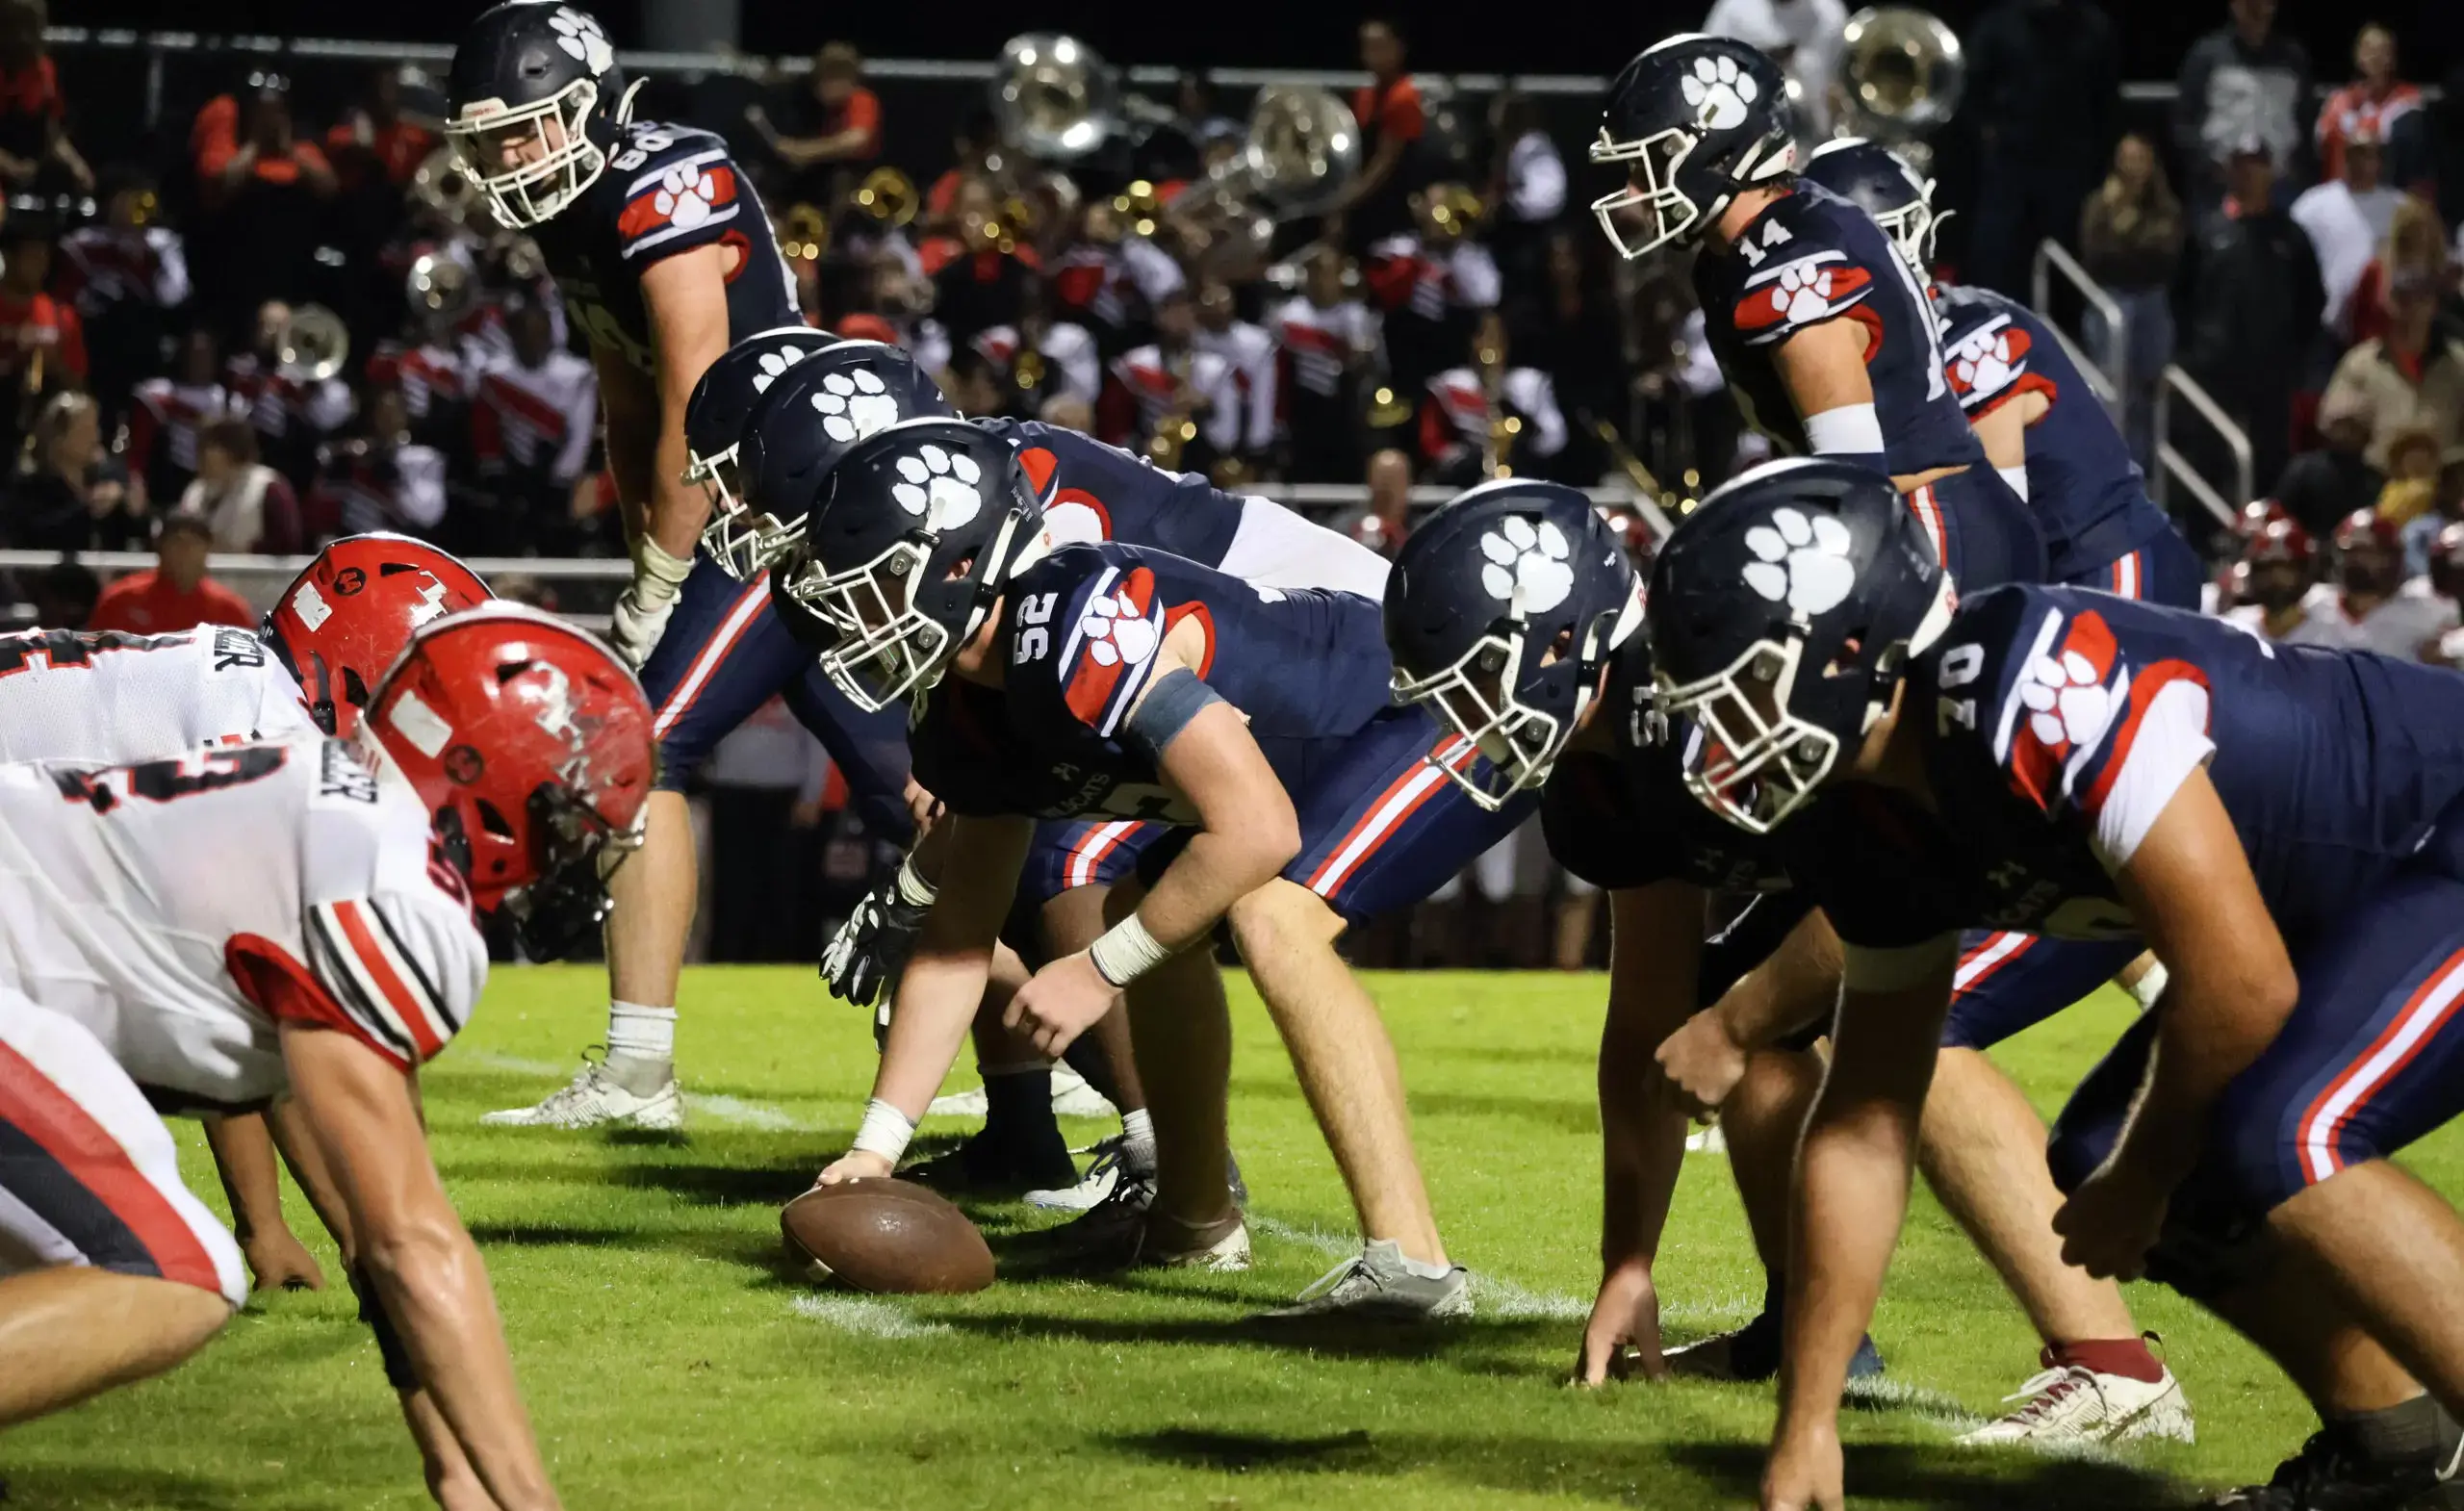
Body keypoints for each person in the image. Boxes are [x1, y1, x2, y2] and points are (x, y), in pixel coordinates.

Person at [1649, 459, 2464, 1511]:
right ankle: (2397, 1454)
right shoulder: (1866, 816)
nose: (1717, 735)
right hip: (2342, 896)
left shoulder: (2023, 682)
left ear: (1849, 650)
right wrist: (1805, 1424)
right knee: (2103, 1157)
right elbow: (1866, 1117)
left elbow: (2242, 986)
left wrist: (2144, 1174)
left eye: (1742, 685)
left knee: (2279, 1130)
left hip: (2433, 830)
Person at [1383, 479, 2192, 1442]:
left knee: (1898, 1034)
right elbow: (1651, 1010)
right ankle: (1806, 1326)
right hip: (1890, 871)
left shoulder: (1697, 694)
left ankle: (2113, 1368)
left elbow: (1880, 884)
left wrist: (1737, 1022)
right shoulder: (1594, 781)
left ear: (1560, 641)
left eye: (1477, 686)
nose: (1469, 727)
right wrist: (1627, 1261)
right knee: (1741, 1009)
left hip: (1997, 844)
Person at [793, 419, 1522, 1319]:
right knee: (1151, 910)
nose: (851, 620)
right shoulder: (965, 711)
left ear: (950, 568)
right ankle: (1193, 1219)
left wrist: (1095, 972)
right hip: (1299, 765)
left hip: (1436, 702)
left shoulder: (1071, 620)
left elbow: (1256, 832)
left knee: (1269, 918)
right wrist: (876, 1147)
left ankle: (1409, 1268)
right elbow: (959, 937)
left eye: (868, 589)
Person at [0, 602, 647, 1511]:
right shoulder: (393, 885)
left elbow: (388, 1242)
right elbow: (407, 1240)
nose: (571, 844)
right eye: (566, 807)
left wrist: (459, 1469)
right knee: (174, 1270)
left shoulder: (338, 804)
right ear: (478, 764)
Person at [444, 3, 834, 1130]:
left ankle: (639, 1072)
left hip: (790, 508)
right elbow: (624, 406)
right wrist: (641, 558)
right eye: (494, 140)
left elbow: (695, 395)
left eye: (527, 129)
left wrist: (662, 575)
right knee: (930, 783)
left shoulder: (666, 181)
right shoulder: (574, 219)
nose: (512, 157)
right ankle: (1039, 1093)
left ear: (590, 101)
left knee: (643, 747)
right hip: (755, 515)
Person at [1588, 35, 2043, 594]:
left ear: (1718, 151)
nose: (1635, 193)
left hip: (1926, 528)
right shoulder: (1746, 247)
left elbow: (1852, 477)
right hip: (1919, 517)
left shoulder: (1789, 264)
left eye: (1650, 164)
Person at [2177, 137, 2323, 511]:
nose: (2250, 173)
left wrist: (2293, 353)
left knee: (2270, 462)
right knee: (2207, 459)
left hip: (2272, 371)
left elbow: (2312, 300)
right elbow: (2181, 294)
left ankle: (2267, 538)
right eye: (2241, 164)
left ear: (2270, 171)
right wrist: (2197, 350)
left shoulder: (2290, 235)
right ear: (2229, 170)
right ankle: (2202, 542)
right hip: (2215, 369)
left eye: (2257, 164)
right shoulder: (2207, 230)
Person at [1958, 0, 2120, 298]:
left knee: (2068, 268)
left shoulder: (2093, 27)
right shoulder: (1997, 24)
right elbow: (1971, 91)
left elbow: (2106, 101)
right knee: (1997, 261)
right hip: (2009, 168)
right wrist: (1991, 135)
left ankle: (2066, 339)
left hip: (2072, 170)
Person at [2078, 134, 2184, 470]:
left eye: (2141, 158)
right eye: (2128, 157)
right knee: (2111, 387)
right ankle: (2110, 465)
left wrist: (2129, 241)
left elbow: (2166, 254)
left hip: (2152, 299)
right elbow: (2097, 254)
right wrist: (2137, 247)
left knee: (2150, 387)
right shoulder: (2100, 204)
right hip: (2112, 300)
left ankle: (2144, 467)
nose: (2134, 165)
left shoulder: (2166, 207)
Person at [2173, 0, 2314, 215]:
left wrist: (2296, 168)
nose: (2257, 10)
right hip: (2217, 189)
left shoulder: (2293, 58)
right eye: (2249, 4)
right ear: (2234, 6)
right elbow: (2183, 122)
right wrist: (2209, 166)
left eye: (2263, 4)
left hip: (2280, 189)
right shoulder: (2207, 55)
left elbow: (2305, 121)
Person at [2318, 270, 2464, 473]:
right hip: (2376, 479)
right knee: (2311, 472)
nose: (2410, 311)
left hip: (2445, 483)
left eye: (2420, 300)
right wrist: (2348, 426)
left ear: (2434, 306)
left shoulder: (2458, 363)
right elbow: (2331, 423)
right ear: (2388, 304)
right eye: (2402, 300)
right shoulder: (2361, 362)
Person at [2292, 128, 2406, 339]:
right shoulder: (2313, 204)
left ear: (2379, 161)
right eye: (2354, 154)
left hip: (2382, 327)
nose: (2361, 162)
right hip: (2325, 329)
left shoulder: (2400, 208)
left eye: (2368, 155)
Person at [7, 392, 146, 553]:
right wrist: (90, 507)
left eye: (96, 427)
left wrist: (135, 510)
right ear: (58, 438)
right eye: (86, 429)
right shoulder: (29, 486)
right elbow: (38, 534)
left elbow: (138, 534)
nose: (96, 437)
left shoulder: (105, 480)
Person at [746, 42, 882, 208]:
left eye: (839, 76)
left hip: (857, 181)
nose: (830, 85)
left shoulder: (860, 99)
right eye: (826, 76)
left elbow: (856, 139)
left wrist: (805, 151)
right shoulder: (815, 105)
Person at [1333, 20, 1424, 255]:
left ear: (1399, 48)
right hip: (1363, 205)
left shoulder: (1404, 96)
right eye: (1367, 47)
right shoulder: (1365, 94)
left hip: (1392, 210)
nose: (1372, 55)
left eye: (1380, 47)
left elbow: (1384, 163)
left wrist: (1343, 203)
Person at [1700, 0, 1846, 141]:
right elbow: (1704, 64)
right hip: (1747, 132)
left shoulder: (1831, 12)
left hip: (1815, 132)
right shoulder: (1733, 8)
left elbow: (1842, 80)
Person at [88, 515, 255, 636]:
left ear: (207, 550)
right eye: (176, 541)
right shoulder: (120, 599)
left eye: (194, 543)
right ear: (160, 547)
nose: (185, 550)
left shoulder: (230, 609)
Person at [2317, 22, 2429, 193]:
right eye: (2368, 49)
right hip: (2340, 196)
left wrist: (2354, 127)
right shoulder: (2337, 100)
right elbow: (2322, 142)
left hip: (2388, 194)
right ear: (2357, 56)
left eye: (2383, 50)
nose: (2375, 55)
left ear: (2392, 59)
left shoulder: (2408, 100)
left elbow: (2395, 144)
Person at [178, 418, 301, 554]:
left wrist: (240, 549)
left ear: (229, 451)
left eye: (207, 447)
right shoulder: (195, 491)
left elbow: (287, 545)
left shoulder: (268, 488)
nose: (199, 456)